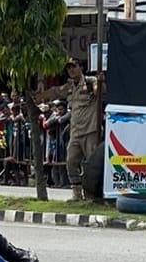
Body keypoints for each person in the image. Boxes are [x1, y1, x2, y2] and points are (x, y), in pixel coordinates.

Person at [42, 57, 102, 201]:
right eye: (68, 68)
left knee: (91, 164)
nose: (71, 70)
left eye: (73, 66)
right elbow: (55, 92)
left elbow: (99, 91)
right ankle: (76, 193)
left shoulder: (90, 81)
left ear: (81, 67)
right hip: (75, 132)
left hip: (90, 130)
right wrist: (37, 95)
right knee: (71, 161)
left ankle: (92, 194)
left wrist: (100, 82)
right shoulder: (69, 87)